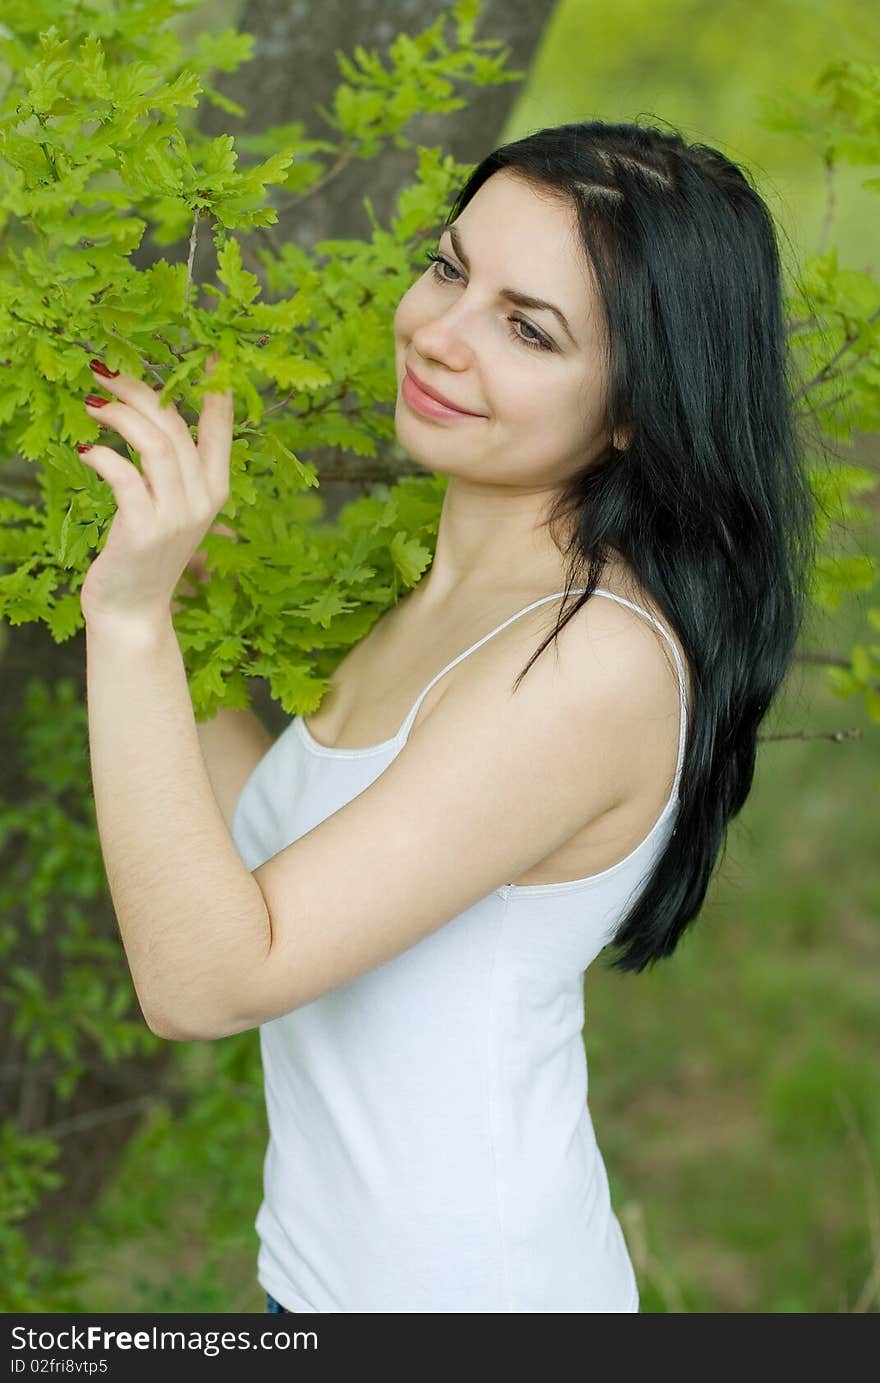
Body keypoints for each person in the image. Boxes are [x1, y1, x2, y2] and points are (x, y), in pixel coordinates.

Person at [204, 120, 815, 1313]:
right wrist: (180, 612)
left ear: (640, 407)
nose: (437, 333)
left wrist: (121, 631)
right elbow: (267, 877)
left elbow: (210, 981)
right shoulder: (458, 601)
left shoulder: (586, 662)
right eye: (448, 267)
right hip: (323, 1292)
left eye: (526, 327)